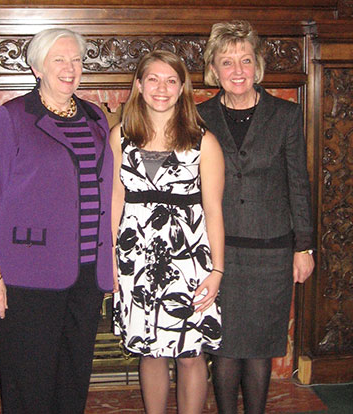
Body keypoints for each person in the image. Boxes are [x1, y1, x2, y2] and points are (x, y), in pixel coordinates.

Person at [0, 28, 113, 414]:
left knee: (73, 376)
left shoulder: (95, 116)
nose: (70, 68)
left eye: (77, 60)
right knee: (28, 381)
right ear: (37, 68)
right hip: (28, 273)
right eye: (59, 60)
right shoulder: (14, 117)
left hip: (85, 273)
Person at [198, 20, 315, 414]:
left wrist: (305, 247)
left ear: (257, 66)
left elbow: (299, 184)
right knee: (225, 347)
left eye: (245, 60)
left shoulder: (285, 115)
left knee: (261, 347)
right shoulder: (198, 116)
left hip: (271, 252)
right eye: (227, 62)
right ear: (213, 69)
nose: (237, 71)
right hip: (218, 252)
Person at [110, 50, 225, 414]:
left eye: (171, 80)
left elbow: (213, 210)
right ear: (140, 86)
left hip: (189, 260)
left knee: (191, 354)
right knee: (150, 351)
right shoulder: (120, 137)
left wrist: (217, 270)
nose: (162, 88)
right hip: (135, 259)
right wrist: (108, 262)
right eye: (154, 79)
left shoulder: (203, 141)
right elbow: (115, 201)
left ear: (182, 88)